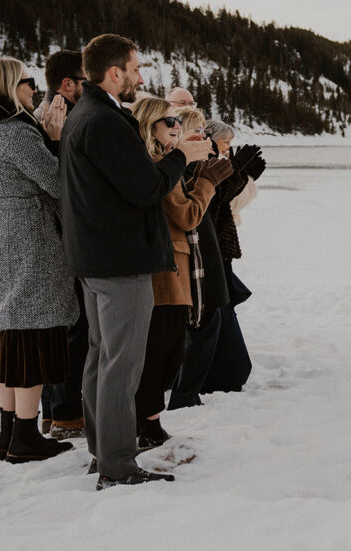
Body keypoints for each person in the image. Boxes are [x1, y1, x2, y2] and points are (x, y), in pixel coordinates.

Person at [60, 34, 213, 488]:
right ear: (114, 73)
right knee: (121, 364)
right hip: (118, 259)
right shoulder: (104, 121)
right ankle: (117, 464)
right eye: (135, 68)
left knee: (101, 357)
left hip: (96, 257)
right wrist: (180, 157)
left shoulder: (83, 115)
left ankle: (102, 451)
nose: (140, 77)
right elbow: (145, 188)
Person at [0, 56, 78, 462]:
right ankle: (25, 437)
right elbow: (56, 182)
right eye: (27, 81)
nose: (34, 89)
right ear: (8, 85)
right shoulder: (15, 134)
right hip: (28, 238)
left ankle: (8, 435)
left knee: (8, 334)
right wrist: (53, 138)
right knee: (32, 336)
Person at [131, 99, 232, 449]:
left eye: (177, 120)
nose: (176, 125)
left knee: (165, 350)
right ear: (150, 126)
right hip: (168, 272)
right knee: (162, 350)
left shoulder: (155, 164)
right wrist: (206, 183)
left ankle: (148, 422)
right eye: (168, 121)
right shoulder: (159, 165)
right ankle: (148, 424)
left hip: (169, 267)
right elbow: (186, 216)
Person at [33, 50, 90, 440]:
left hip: (55, 237)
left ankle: (54, 414)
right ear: (67, 85)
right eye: (86, 80)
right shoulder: (55, 121)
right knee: (72, 326)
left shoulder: (49, 116)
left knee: (62, 326)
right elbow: (58, 184)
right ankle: (65, 414)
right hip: (58, 238)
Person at [199, 119, 264, 394]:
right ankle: (220, 373)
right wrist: (238, 171)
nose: (228, 148)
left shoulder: (215, 161)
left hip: (220, 247)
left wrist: (243, 175)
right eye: (225, 142)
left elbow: (228, 199)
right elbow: (217, 199)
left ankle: (228, 370)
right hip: (210, 248)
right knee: (217, 312)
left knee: (225, 307)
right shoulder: (203, 163)